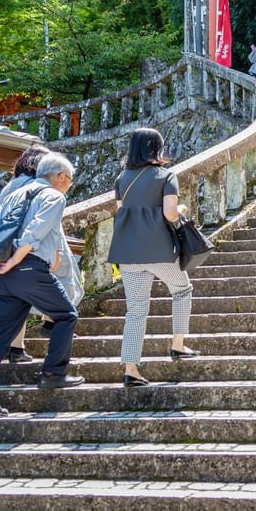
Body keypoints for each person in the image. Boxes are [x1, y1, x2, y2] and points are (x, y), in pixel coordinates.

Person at [0, 152, 82, 418]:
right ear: (61, 177)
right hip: (29, 268)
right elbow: (35, 233)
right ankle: (53, 373)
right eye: (70, 181)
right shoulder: (54, 196)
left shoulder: (13, 194)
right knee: (66, 315)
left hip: (2, 275)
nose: (69, 186)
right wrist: (14, 261)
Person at [111, 128, 200, 387]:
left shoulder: (122, 179)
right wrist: (182, 208)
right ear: (157, 148)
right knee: (182, 290)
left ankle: (131, 368)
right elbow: (171, 214)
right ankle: (178, 344)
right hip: (158, 249)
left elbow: (122, 212)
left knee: (136, 311)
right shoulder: (165, 175)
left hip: (128, 253)